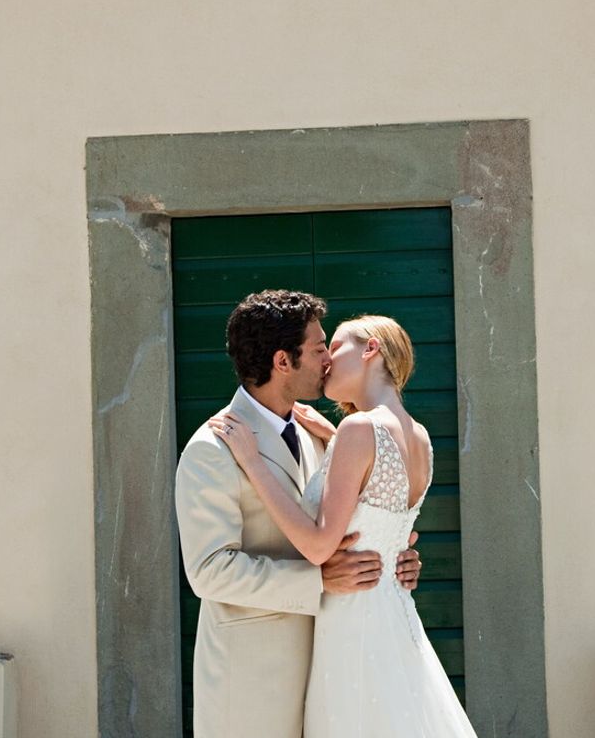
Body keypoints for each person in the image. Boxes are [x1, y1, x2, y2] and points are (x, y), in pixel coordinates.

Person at [209, 313, 477, 737]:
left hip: (352, 628)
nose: (327, 361)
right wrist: (335, 439)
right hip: (394, 619)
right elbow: (379, 512)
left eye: (334, 347)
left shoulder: (358, 429)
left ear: (370, 349)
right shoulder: (421, 438)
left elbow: (319, 547)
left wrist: (252, 461)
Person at [174, 290, 424, 738]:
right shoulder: (212, 450)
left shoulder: (322, 438)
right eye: (317, 348)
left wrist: (392, 556)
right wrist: (318, 580)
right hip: (253, 683)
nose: (327, 358)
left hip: (333, 669)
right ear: (282, 361)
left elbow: (356, 517)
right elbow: (208, 572)